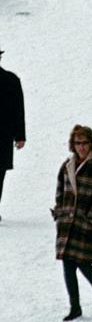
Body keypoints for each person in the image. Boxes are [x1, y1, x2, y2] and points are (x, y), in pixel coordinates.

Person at [54, 124, 92, 319]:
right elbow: (60, 191)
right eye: (77, 143)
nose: (81, 147)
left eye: (84, 143)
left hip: (87, 222)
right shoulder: (67, 165)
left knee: (83, 261)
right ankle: (75, 306)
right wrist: (60, 211)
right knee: (68, 264)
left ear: (91, 143)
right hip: (68, 222)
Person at [0, 50, 24, 217]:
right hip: (4, 136)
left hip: (4, 135)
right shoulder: (11, 79)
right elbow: (19, 110)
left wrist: (21, 135)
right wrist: (20, 135)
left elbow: (18, 109)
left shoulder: (11, 80)